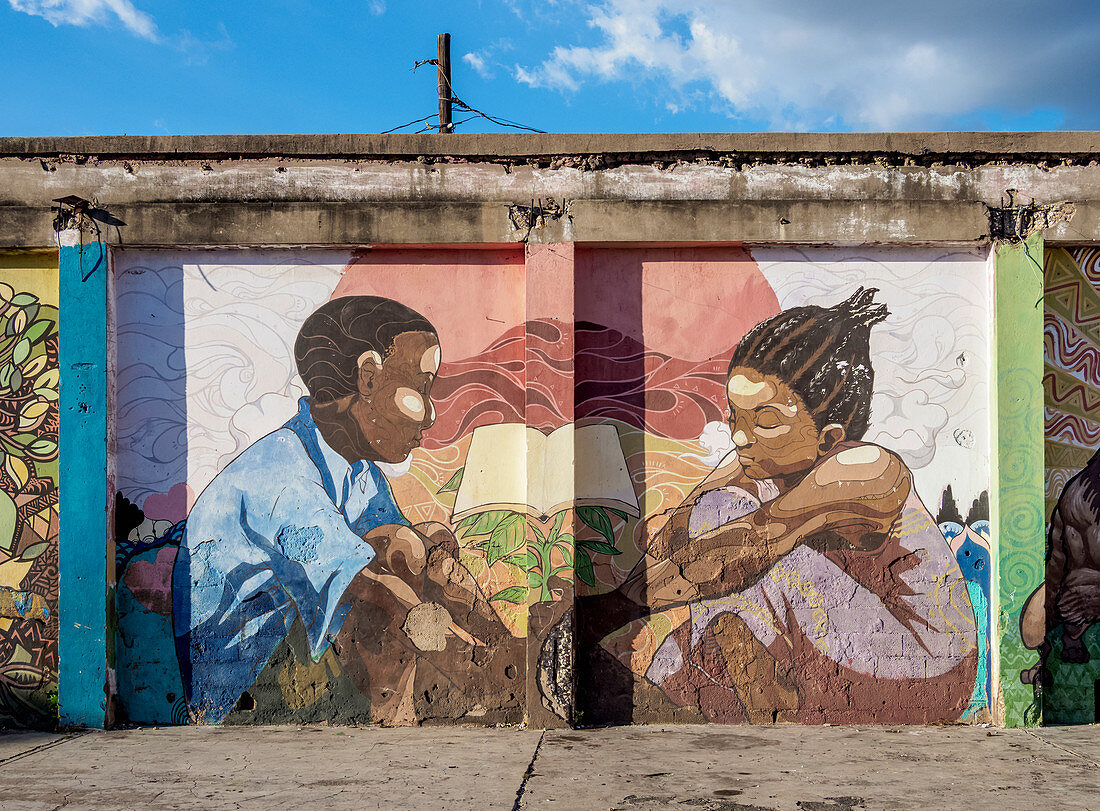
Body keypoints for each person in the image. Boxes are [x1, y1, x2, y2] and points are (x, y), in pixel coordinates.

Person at [588, 288, 979, 724]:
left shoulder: (867, 467)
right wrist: (665, 533)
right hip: (841, 654)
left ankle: (776, 721)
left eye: (767, 420)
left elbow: (749, 543)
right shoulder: (759, 460)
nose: (739, 437)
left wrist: (605, 613)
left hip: (929, 667)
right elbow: (676, 529)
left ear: (829, 437)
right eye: (736, 417)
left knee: (727, 527)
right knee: (705, 571)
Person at [173, 296, 514, 724]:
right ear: (367, 378)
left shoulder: (359, 473)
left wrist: (433, 553)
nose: (429, 416)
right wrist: (471, 669)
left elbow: (399, 549)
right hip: (241, 683)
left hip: (300, 657)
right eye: (421, 389)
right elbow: (371, 584)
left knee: (417, 544)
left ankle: (513, 658)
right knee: (391, 578)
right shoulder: (280, 471)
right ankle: (481, 689)